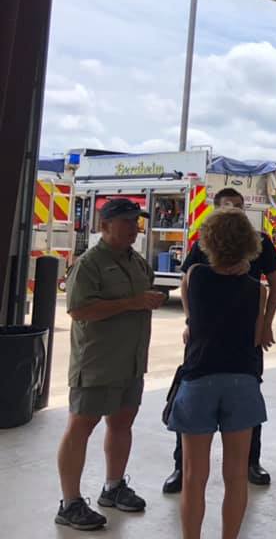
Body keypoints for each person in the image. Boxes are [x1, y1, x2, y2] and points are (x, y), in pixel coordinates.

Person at [55, 198, 165, 531]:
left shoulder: (137, 262)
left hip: (130, 362)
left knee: (122, 424)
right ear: (105, 226)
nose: (135, 228)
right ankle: (70, 503)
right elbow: (78, 310)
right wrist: (133, 302)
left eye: (137, 223)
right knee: (81, 427)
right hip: (97, 362)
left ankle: (113, 487)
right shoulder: (90, 264)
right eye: (127, 222)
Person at [163, 188, 276, 494]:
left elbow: (275, 282)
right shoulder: (207, 240)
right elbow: (186, 278)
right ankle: (180, 466)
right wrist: (191, 321)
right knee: (191, 399)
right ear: (215, 211)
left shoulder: (259, 241)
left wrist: (266, 323)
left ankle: (251, 462)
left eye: (240, 206)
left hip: (245, 336)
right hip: (206, 339)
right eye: (228, 206)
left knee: (248, 398)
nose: (235, 210)